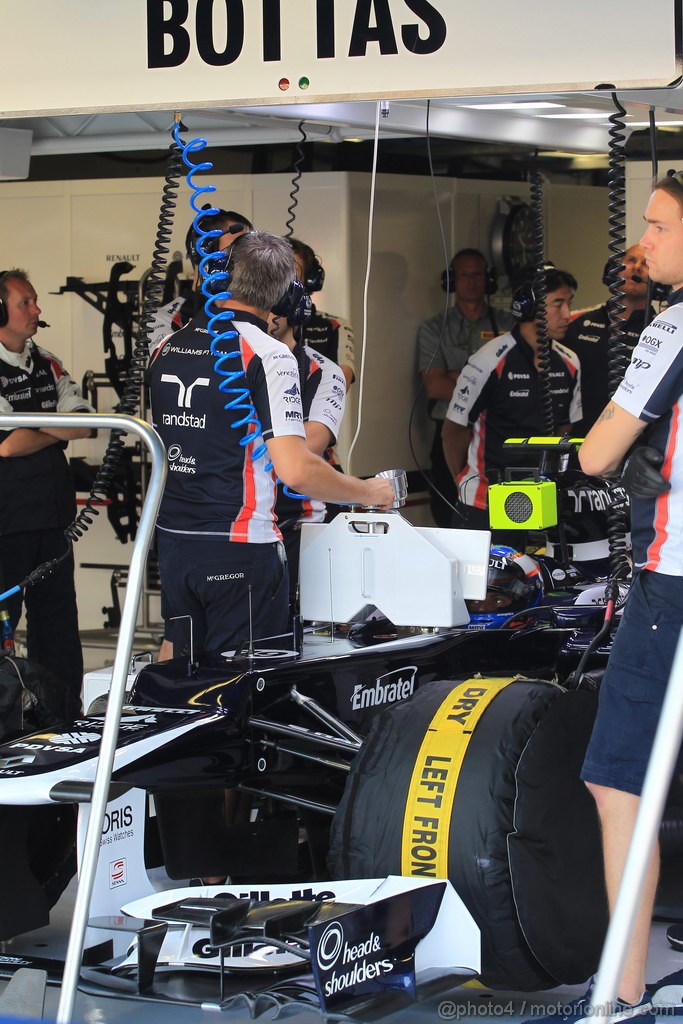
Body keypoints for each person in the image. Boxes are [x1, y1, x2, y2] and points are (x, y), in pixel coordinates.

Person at [535, 173, 683, 1024]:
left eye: (659, 227)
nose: (644, 246)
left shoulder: (670, 326)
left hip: (672, 582)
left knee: (616, 783)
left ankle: (620, 995)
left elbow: (595, 454)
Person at [147, 231, 393, 661]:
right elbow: (295, 470)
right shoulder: (269, 355)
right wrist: (372, 492)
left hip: (173, 541)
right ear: (284, 295)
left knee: (178, 673)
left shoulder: (167, 346)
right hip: (240, 545)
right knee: (245, 693)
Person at [0, 269, 93, 718]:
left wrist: (34, 427)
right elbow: (6, 443)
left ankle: (63, 718)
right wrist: (53, 429)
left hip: (53, 519)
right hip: (6, 524)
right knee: (3, 627)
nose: (37, 310)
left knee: (58, 628)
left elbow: (85, 423)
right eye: (26, 303)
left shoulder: (48, 361)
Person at [441, 265, 582, 547]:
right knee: (485, 591)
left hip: (540, 504)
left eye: (569, 303)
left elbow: (564, 429)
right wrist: (464, 483)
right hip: (484, 504)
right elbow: (453, 432)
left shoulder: (570, 362)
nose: (567, 314)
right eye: (558, 304)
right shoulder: (489, 359)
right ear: (528, 306)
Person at [417, 248, 515, 526]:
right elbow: (435, 386)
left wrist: (458, 376)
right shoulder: (434, 328)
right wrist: (490, 384)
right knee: (451, 508)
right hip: (450, 430)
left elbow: (515, 382)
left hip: (497, 433)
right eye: (464, 275)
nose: (471, 281)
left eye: (477, 274)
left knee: (499, 512)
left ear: (489, 280)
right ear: (451, 280)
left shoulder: (508, 324)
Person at [267, 307, 347, 613]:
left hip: (299, 526)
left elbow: (308, 447)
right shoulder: (226, 361)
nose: (268, 312)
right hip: (233, 524)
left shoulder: (322, 370)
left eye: (276, 302)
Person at [563, 244, 655, 432]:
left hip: (639, 445)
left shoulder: (661, 331)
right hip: (579, 442)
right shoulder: (577, 322)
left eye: (645, 264)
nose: (637, 267)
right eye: (630, 260)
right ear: (612, 271)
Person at [147, 208, 253, 349]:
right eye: (235, 251)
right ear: (204, 253)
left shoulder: (258, 310)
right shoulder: (165, 320)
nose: (246, 261)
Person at [288, 238, 355, 391]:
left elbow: (341, 383)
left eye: (291, 270)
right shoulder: (258, 321)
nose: (282, 278)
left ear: (310, 280)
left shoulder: (334, 325)